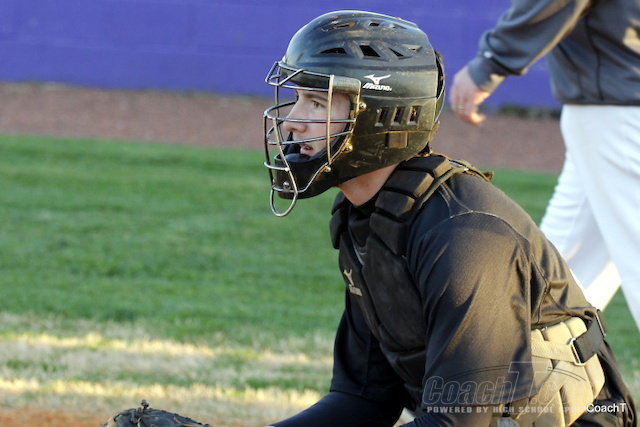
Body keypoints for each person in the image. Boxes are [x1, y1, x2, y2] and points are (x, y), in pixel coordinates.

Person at [262, 10, 635, 426]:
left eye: (316, 102)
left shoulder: (465, 235)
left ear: (380, 114)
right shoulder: (372, 219)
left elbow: (457, 424)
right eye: (298, 99)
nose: (292, 123)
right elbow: (361, 400)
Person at [449, 0, 640, 332]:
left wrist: (490, 62)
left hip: (619, 107)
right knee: (556, 278)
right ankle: (528, 359)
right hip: (614, 102)